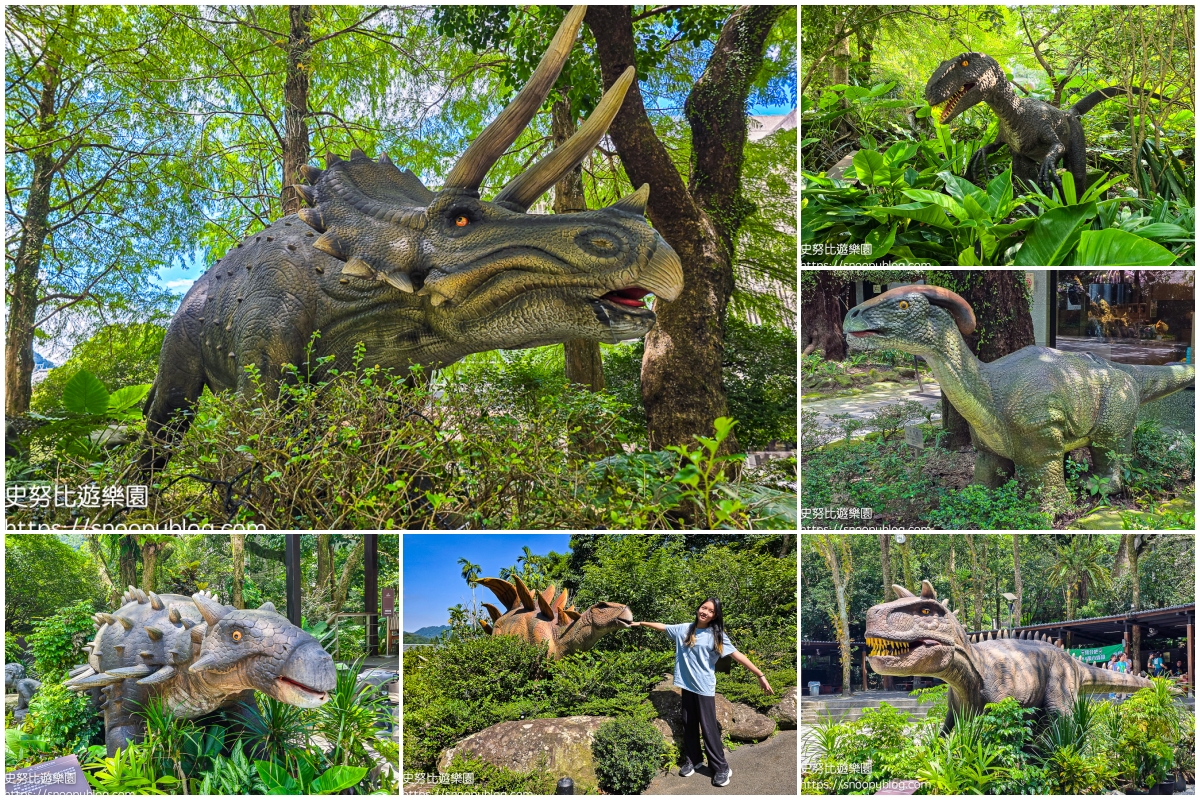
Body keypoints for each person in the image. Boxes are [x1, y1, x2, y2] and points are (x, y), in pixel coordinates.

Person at [630, 598, 774, 788]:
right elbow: (663, 627)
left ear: (715, 616)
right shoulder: (685, 629)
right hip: (686, 686)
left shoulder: (716, 635)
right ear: (698, 608)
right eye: (703, 607)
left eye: (711, 611)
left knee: (708, 729)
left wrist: (760, 675)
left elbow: (737, 655)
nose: (705, 612)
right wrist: (641, 623)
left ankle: (721, 768)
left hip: (704, 688)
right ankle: (694, 760)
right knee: (689, 724)